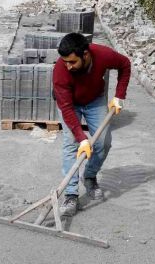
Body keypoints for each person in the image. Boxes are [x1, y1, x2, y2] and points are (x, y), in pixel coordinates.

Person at [52, 33, 131, 216]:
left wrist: (119, 95)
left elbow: (125, 64)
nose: (68, 66)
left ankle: (89, 177)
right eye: (65, 62)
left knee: (103, 142)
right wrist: (82, 138)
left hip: (95, 100)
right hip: (71, 104)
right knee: (71, 144)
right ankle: (71, 194)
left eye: (72, 62)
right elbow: (66, 108)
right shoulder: (60, 71)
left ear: (85, 55)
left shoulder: (102, 55)